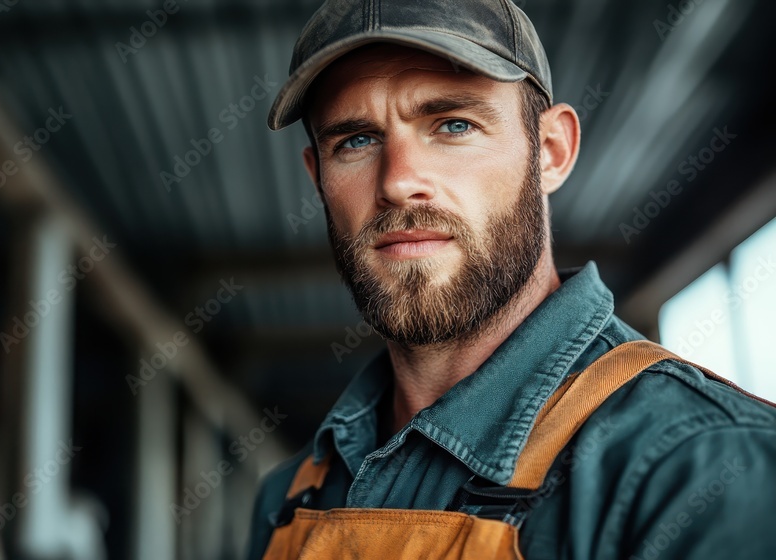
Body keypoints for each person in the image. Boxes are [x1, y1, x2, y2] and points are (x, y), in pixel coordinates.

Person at [247, 0, 776, 558]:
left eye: (454, 125)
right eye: (355, 141)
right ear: (318, 178)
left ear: (550, 152)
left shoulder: (701, 469)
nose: (399, 181)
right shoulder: (288, 499)